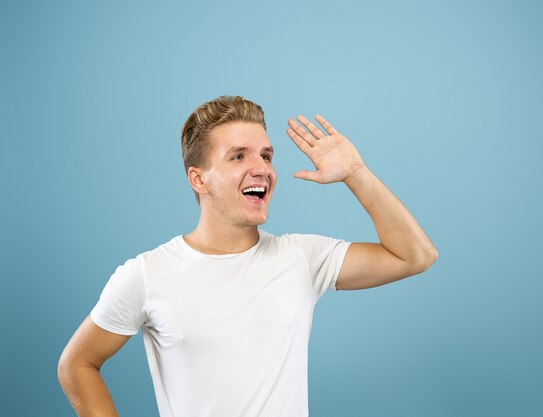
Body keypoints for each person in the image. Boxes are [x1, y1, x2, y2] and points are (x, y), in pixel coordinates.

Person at [57, 95, 438, 417]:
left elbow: (414, 256)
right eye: (238, 157)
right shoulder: (146, 274)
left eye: (267, 156)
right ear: (198, 179)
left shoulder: (302, 258)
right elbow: (77, 364)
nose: (261, 168)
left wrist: (356, 172)